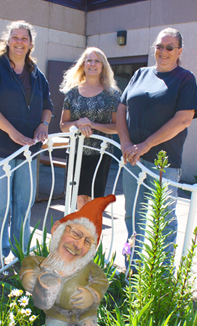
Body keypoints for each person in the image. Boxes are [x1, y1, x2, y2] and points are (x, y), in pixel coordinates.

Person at [0, 21, 53, 271]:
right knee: (0, 204)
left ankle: (19, 254)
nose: (19, 42)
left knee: (23, 203)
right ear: (7, 41)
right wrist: (12, 132)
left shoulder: (36, 73)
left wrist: (43, 124)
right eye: (15, 37)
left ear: (31, 44)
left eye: (24, 38)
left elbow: (48, 104)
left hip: (28, 150)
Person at [117, 27, 197, 265]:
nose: (163, 51)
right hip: (132, 159)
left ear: (179, 51)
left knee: (161, 221)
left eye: (169, 47)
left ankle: (159, 278)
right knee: (133, 214)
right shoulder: (140, 74)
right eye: (159, 46)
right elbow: (122, 109)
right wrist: (125, 142)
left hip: (164, 164)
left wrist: (144, 145)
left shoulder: (185, 79)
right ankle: (132, 271)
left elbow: (183, 119)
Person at [20, 194, 117, 326]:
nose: (78, 245)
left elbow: (102, 281)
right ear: (57, 229)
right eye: (75, 234)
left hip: (84, 311)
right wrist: (28, 274)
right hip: (57, 311)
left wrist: (92, 294)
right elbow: (30, 262)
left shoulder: (88, 268)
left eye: (87, 242)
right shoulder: (46, 262)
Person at [60, 47, 121, 210]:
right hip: (76, 153)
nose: (92, 64)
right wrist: (78, 123)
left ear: (103, 66)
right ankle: (78, 235)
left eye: (97, 61)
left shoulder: (112, 95)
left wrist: (92, 125)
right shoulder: (72, 93)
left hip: (100, 154)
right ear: (83, 64)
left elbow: (117, 127)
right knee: (78, 200)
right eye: (89, 60)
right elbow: (63, 125)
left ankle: (92, 236)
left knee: (93, 202)